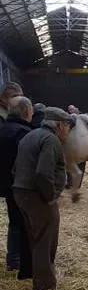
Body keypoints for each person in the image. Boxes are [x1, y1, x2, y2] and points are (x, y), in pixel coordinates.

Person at [13, 107, 73, 290]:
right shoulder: (51, 140)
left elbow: (16, 168)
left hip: (21, 191)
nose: (68, 130)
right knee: (45, 239)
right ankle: (44, 286)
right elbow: (42, 172)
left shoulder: (31, 135)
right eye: (67, 126)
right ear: (60, 125)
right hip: (36, 195)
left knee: (35, 236)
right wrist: (50, 195)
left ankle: (38, 276)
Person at [0, 95, 33, 278]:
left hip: (5, 184)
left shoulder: (2, 128)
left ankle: (12, 259)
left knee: (14, 222)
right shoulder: (23, 133)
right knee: (24, 223)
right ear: (26, 111)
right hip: (20, 185)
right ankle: (19, 260)